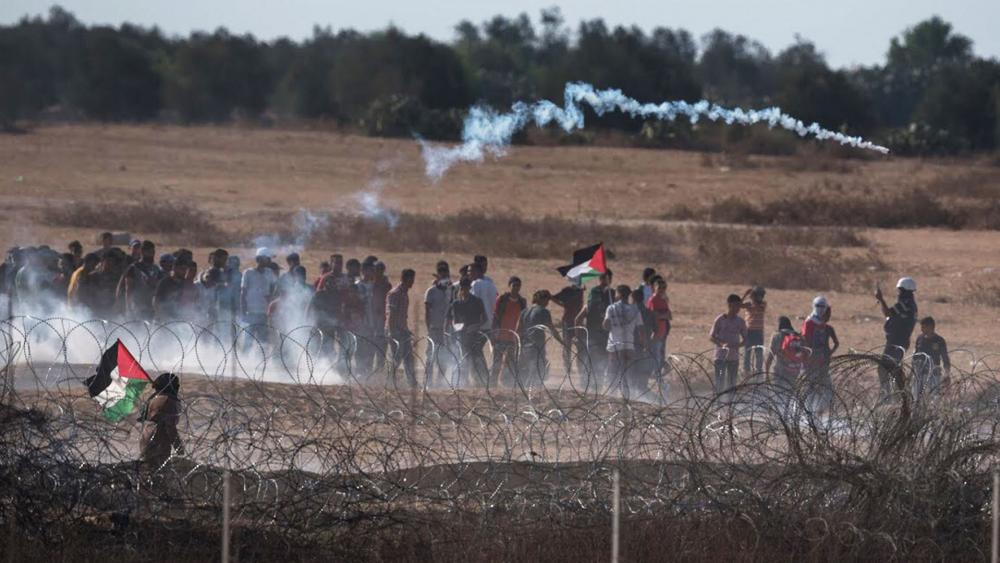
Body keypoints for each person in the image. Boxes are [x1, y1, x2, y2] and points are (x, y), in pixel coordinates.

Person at [875, 277, 918, 399]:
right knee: (892, 368)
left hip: (897, 341)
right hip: (899, 340)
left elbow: (888, 313)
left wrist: (881, 299)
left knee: (885, 368)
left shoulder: (906, 304)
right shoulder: (909, 304)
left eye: (900, 290)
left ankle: (889, 396)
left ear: (906, 291)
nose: (898, 293)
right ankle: (897, 395)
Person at [445, 278, 489, 387]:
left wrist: (476, 326)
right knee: (462, 360)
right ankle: (461, 384)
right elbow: (450, 320)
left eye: (466, 287)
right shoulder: (456, 303)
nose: (464, 290)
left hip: (474, 337)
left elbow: (484, 319)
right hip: (461, 337)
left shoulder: (477, 301)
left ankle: (481, 383)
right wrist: (453, 330)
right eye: (462, 288)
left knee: (477, 361)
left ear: (469, 288)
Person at [576, 270, 614, 391]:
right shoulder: (603, 300)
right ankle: (591, 387)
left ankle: (592, 388)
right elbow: (578, 319)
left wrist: (579, 337)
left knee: (596, 363)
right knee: (595, 363)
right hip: (598, 337)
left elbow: (578, 319)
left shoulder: (608, 298)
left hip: (597, 337)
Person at [603, 285, 643, 398]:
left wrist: (611, 322)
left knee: (613, 374)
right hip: (629, 346)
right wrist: (643, 342)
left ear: (619, 294)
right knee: (625, 375)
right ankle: (626, 398)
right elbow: (641, 328)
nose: (614, 295)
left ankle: (612, 398)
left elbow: (605, 325)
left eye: (616, 293)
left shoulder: (611, 308)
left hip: (614, 346)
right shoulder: (635, 310)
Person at [517, 289, 564, 385]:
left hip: (526, 346)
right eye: (547, 300)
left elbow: (518, 330)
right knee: (537, 372)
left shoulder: (525, 311)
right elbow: (552, 329)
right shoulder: (543, 312)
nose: (547, 303)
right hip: (537, 346)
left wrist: (519, 346)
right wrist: (562, 342)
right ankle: (530, 391)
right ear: (543, 300)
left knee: (531, 370)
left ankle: (526, 389)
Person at [139, 372, 183, 471]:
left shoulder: (153, 399)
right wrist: (179, 448)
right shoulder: (169, 401)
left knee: (147, 473)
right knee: (159, 475)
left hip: (146, 439)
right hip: (159, 443)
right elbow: (170, 427)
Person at [802, 297, 838, 414]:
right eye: (818, 306)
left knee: (827, 388)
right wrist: (809, 357)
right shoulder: (809, 322)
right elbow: (805, 341)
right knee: (811, 387)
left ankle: (820, 410)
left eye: (823, 307)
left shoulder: (823, 324)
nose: (820, 309)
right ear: (813, 306)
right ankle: (806, 411)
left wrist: (828, 354)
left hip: (823, 362)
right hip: (812, 362)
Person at [765, 316, 806, 413]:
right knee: (789, 393)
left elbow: (770, 357)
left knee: (776, 393)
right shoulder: (797, 337)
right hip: (793, 370)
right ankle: (787, 414)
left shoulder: (777, 335)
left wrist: (766, 373)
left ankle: (775, 414)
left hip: (780, 370)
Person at [491, 277, 526, 387]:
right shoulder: (502, 299)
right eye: (514, 285)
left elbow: (523, 319)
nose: (516, 288)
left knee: (510, 363)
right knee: (497, 362)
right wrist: (493, 334)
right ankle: (492, 384)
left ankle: (506, 384)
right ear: (509, 285)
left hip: (513, 337)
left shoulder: (522, 302)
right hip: (501, 335)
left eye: (518, 285)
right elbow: (495, 317)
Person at [710, 294, 747, 397]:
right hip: (720, 357)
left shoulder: (740, 322)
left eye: (739, 306)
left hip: (734, 358)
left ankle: (730, 406)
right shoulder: (720, 319)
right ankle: (717, 405)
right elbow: (711, 337)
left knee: (732, 384)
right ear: (729, 305)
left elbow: (746, 339)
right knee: (719, 382)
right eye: (736, 305)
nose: (738, 309)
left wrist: (738, 345)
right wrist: (721, 344)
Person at [386, 269, 417, 388]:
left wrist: (406, 329)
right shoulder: (395, 293)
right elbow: (391, 314)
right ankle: (390, 382)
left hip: (402, 331)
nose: (413, 282)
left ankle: (412, 383)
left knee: (409, 357)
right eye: (411, 279)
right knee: (396, 358)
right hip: (395, 331)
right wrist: (391, 331)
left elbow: (402, 315)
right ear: (406, 279)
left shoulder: (404, 293)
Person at [424, 261, 452, 386]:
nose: (444, 275)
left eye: (446, 272)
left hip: (446, 330)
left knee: (444, 358)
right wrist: (428, 328)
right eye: (442, 273)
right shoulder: (431, 291)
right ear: (438, 275)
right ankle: (428, 382)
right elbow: (427, 312)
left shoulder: (452, 290)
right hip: (434, 329)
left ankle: (440, 382)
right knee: (431, 356)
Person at [118, 240, 162, 321]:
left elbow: (159, 289)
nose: (151, 254)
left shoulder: (156, 269)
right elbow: (128, 290)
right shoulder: (134, 268)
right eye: (148, 251)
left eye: (153, 251)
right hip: (137, 308)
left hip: (151, 309)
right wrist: (129, 309)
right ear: (142, 252)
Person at [241, 248, 277, 347]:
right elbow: (243, 293)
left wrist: (270, 298)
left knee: (263, 343)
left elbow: (273, 289)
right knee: (247, 343)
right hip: (251, 313)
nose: (269, 261)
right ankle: (244, 361)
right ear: (260, 259)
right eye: (267, 258)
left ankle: (262, 361)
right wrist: (244, 312)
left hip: (264, 313)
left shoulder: (269, 273)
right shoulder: (248, 273)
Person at [551, 279, 587, 378]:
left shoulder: (580, 291)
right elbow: (553, 298)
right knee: (567, 345)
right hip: (568, 321)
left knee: (580, 345)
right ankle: (567, 368)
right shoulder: (567, 291)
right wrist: (564, 305)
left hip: (577, 321)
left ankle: (580, 367)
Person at [913, 316, 950, 398]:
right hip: (919, 373)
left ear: (930, 327)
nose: (921, 329)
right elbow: (915, 355)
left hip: (934, 374)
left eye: (923, 327)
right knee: (916, 398)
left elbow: (945, 358)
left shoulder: (939, 340)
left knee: (934, 398)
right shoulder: (920, 339)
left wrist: (947, 374)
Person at [646, 276, 672, 377]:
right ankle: (655, 376)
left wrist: (662, 315)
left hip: (663, 331)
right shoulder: (653, 300)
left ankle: (658, 375)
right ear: (655, 287)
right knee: (655, 355)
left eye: (664, 288)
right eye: (660, 287)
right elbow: (653, 315)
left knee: (660, 355)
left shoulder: (663, 300)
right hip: (655, 331)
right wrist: (663, 315)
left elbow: (670, 316)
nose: (662, 290)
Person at [741, 286, 767, 377]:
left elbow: (758, 306)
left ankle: (758, 371)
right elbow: (739, 305)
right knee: (747, 352)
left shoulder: (762, 304)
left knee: (758, 352)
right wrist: (745, 294)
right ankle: (746, 371)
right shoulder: (748, 304)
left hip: (758, 332)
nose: (759, 298)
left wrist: (752, 297)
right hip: (749, 331)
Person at [469, 262, 498, 326]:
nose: (468, 273)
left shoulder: (475, 284)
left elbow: (473, 304)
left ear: (477, 272)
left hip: (476, 323)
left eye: (470, 271)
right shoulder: (491, 285)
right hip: (489, 322)